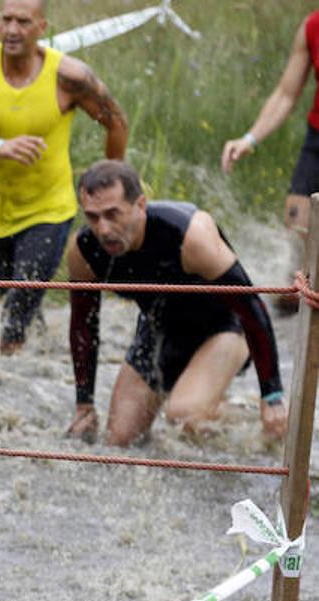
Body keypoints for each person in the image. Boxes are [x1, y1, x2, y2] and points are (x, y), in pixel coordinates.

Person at [0, 0, 129, 353]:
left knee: (14, 318)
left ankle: (3, 387)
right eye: (6, 20)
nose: (13, 30)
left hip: (51, 211)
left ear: (42, 27)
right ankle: (43, 366)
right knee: (19, 307)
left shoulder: (70, 76)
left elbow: (116, 122)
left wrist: (111, 186)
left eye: (23, 22)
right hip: (3, 214)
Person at [65, 161, 288, 446]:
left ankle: (244, 418)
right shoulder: (84, 251)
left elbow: (251, 307)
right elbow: (83, 325)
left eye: (112, 214)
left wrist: (272, 395)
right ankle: (203, 399)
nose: (104, 229)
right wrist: (84, 404)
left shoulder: (190, 236)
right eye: (93, 217)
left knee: (183, 416)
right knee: (118, 443)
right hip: (160, 330)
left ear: (140, 205)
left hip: (223, 329)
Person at [221, 11, 319, 315]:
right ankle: (297, 295)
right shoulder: (312, 27)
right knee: (297, 221)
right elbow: (286, 94)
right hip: (318, 137)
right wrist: (249, 139)